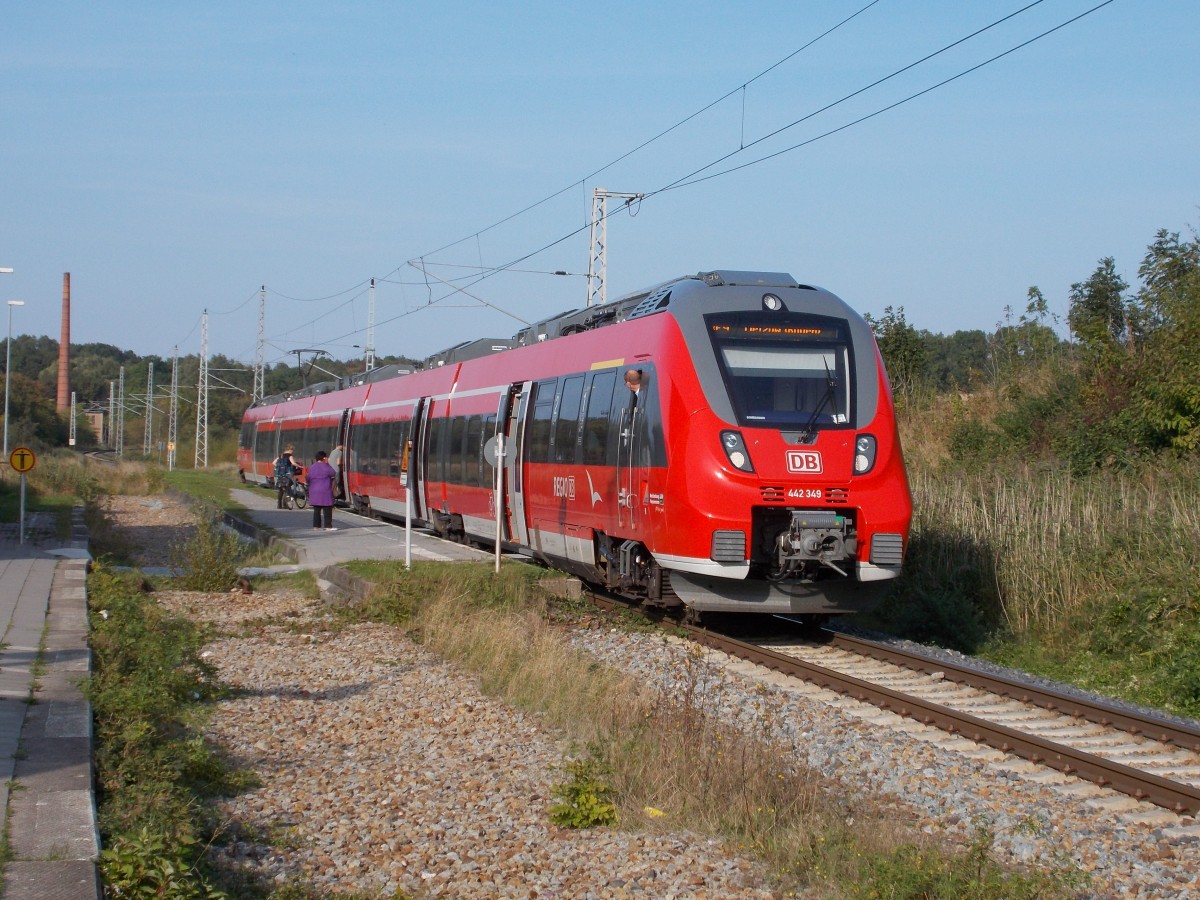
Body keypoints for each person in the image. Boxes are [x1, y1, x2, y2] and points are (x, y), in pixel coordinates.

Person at [307, 450, 338, 531]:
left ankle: (316, 526)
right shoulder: (326, 466)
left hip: (314, 490)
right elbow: (333, 473)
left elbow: (308, 478)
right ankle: (328, 526)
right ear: (324, 458)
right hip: (325, 490)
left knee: (316, 510)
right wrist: (327, 463)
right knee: (327, 509)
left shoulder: (312, 467)